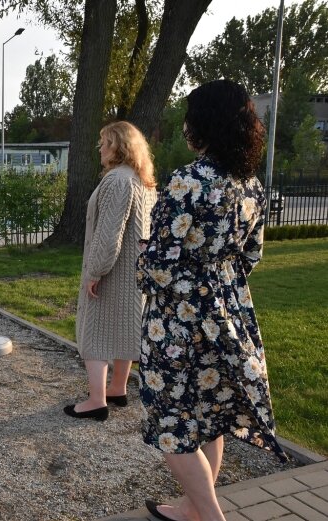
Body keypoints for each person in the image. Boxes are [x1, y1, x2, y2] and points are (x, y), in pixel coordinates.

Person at [136, 79, 287, 521]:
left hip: (179, 323)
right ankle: (192, 508)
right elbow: (253, 255)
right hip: (230, 318)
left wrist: (146, 267)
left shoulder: (188, 181)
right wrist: (220, 279)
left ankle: (211, 516)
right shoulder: (254, 187)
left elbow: (159, 265)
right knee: (208, 415)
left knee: (173, 425)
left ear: (202, 123)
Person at [65, 121, 157, 421]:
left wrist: (95, 272)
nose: (100, 149)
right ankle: (117, 389)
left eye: (104, 143)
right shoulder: (142, 181)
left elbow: (108, 235)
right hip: (134, 274)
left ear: (118, 145)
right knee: (124, 331)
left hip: (112, 275)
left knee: (94, 335)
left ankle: (96, 400)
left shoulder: (117, 181)